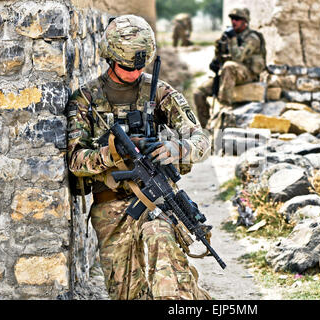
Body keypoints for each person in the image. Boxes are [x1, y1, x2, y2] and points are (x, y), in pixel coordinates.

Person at [66, 15, 211, 300]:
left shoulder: (157, 91)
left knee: (168, 269)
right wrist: (114, 152)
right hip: (111, 207)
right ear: (110, 57)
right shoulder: (86, 100)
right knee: (127, 294)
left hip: (156, 199)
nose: (135, 72)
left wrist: (177, 149)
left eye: (140, 66)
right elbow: (75, 160)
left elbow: (201, 139)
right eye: (127, 66)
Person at [193, 8, 266, 129]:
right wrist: (215, 62)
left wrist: (232, 39)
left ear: (245, 21)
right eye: (232, 18)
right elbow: (220, 56)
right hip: (228, 74)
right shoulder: (228, 36)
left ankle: (223, 108)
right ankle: (206, 128)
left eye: (237, 19)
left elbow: (238, 58)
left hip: (247, 74)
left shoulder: (252, 38)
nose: (234, 21)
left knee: (229, 66)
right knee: (198, 93)